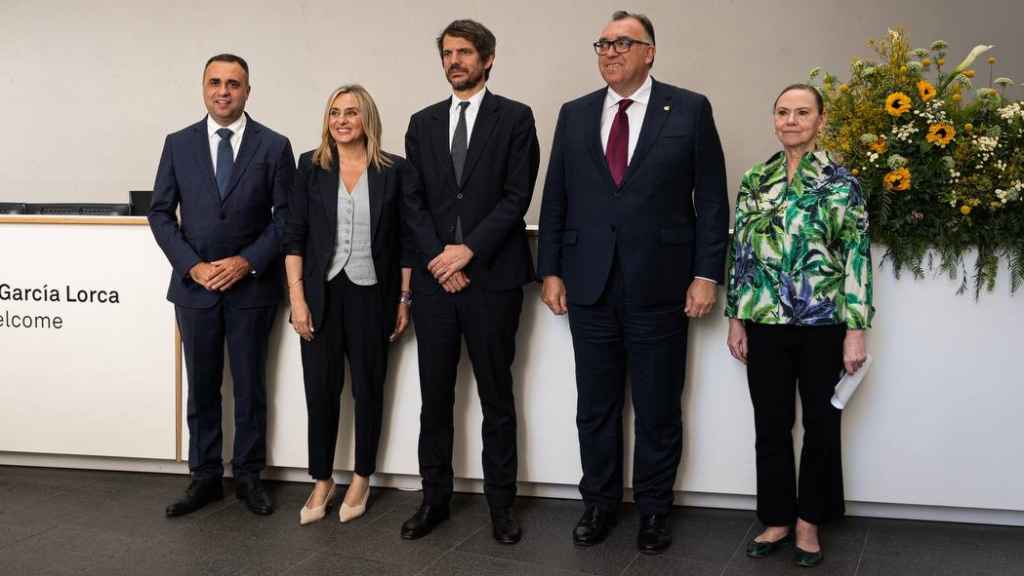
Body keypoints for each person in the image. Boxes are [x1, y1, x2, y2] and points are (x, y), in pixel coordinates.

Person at [537, 11, 729, 555]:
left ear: (650, 51)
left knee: (657, 405)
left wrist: (705, 273)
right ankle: (597, 504)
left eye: (624, 42)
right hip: (589, 285)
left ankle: (652, 511)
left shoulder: (689, 109)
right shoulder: (575, 115)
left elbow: (711, 201)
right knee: (594, 405)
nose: (611, 51)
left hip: (662, 286)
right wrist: (550, 269)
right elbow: (557, 198)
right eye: (604, 42)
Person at [401, 18, 540, 544]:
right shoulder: (422, 122)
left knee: (496, 397)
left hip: (492, 280)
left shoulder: (516, 119)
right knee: (434, 398)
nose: (454, 61)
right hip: (438, 283)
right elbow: (412, 201)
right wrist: (441, 258)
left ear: (487, 59)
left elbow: (516, 197)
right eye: (448, 53)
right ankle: (433, 499)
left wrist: (468, 251)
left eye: (464, 52)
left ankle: (501, 507)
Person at [724, 83, 873, 568]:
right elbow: (741, 254)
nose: (791, 120)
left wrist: (856, 329)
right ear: (774, 120)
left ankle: (810, 521)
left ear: (820, 120)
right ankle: (777, 519)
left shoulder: (841, 182)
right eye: (783, 112)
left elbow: (857, 258)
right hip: (764, 319)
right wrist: (736, 318)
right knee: (770, 424)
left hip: (822, 322)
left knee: (821, 424)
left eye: (802, 112)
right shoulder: (754, 179)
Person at [150, 54, 295, 517]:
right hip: (195, 290)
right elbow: (159, 212)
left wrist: (247, 262)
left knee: (251, 387)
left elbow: (287, 218)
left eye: (234, 83)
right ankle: (205, 478)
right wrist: (192, 266)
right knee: (203, 386)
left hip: (251, 289)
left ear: (248, 91)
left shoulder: (274, 146)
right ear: (203, 88)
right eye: (215, 82)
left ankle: (250, 477)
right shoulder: (178, 144)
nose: (223, 91)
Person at [284, 85, 414, 525]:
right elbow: (294, 235)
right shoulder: (310, 166)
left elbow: (405, 243)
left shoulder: (394, 170)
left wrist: (403, 298)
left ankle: (361, 476)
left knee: (368, 389)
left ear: (367, 121)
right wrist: (297, 298)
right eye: (334, 113)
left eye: (351, 113)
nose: (341, 120)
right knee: (319, 390)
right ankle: (322, 479)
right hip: (321, 295)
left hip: (371, 294)